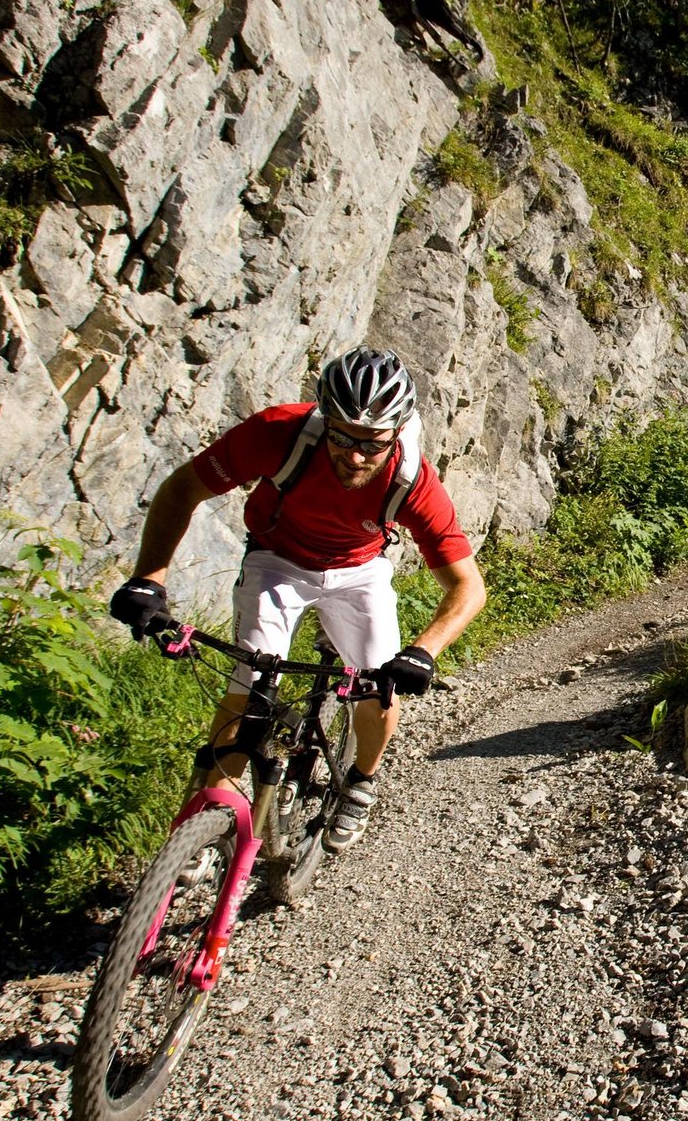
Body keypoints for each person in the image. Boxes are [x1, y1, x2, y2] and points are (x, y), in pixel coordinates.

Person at [109, 347, 487, 850]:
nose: (355, 455)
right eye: (341, 436)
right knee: (248, 692)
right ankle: (199, 833)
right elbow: (182, 490)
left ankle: (360, 783)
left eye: (372, 444)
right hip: (277, 562)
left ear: (396, 433)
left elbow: (468, 586)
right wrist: (148, 579)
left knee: (379, 689)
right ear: (324, 419)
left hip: (359, 573)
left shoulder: (413, 479)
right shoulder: (277, 433)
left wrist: (423, 652)